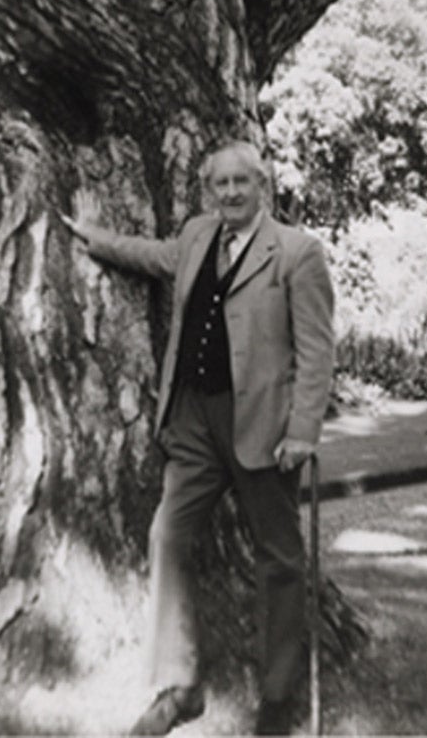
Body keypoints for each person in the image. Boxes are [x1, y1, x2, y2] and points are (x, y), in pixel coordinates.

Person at [62, 140, 334, 736]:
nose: (231, 193)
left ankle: (279, 697)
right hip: (192, 422)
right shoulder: (196, 236)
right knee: (166, 536)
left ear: (262, 185)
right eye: (221, 184)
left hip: (265, 427)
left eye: (242, 182)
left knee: (280, 560)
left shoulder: (297, 252)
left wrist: (303, 431)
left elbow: (317, 353)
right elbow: (153, 256)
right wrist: (94, 238)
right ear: (208, 190)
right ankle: (182, 686)